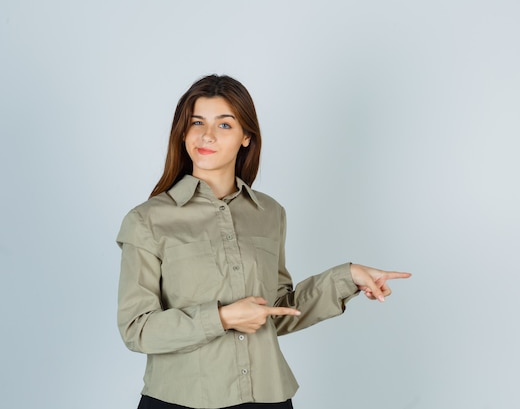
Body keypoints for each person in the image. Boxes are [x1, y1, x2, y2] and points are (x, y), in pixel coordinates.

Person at [116, 74, 412, 409]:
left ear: (246, 137)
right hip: (180, 400)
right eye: (197, 122)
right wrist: (224, 317)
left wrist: (347, 277)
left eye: (224, 125)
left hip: (266, 397)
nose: (207, 135)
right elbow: (137, 329)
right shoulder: (147, 219)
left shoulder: (269, 213)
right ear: (183, 132)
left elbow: (276, 311)